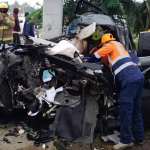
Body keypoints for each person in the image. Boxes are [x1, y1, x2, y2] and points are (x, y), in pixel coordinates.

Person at [88, 33, 144, 150]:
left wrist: (89, 58)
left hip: (129, 80)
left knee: (126, 111)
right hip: (138, 77)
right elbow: (108, 64)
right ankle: (139, 138)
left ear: (104, 43)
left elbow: (97, 55)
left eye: (101, 45)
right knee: (136, 110)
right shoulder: (120, 48)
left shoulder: (111, 44)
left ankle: (126, 140)